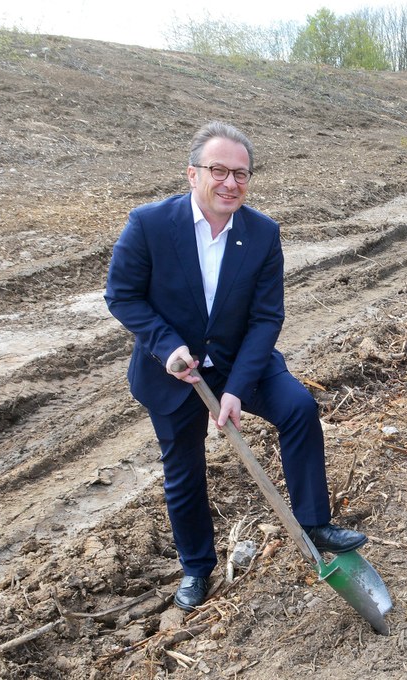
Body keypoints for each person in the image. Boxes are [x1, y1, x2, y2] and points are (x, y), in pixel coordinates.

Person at [105, 121, 367, 611]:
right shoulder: (149, 224)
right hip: (175, 368)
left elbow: (267, 316)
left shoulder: (262, 232)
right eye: (218, 171)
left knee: (298, 407)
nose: (230, 183)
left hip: (240, 359)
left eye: (241, 174)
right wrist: (167, 347)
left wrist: (237, 388)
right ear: (192, 174)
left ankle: (313, 522)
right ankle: (196, 568)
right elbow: (121, 295)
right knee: (184, 470)